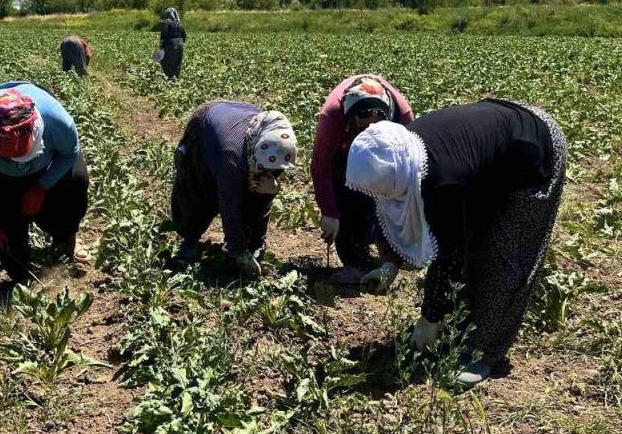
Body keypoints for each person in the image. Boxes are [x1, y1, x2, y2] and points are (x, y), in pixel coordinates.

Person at [345, 100, 567, 388]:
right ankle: (458, 326)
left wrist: (429, 318)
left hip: (534, 146)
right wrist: (390, 263)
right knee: (473, 241)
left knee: (504, 258)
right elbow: (391, 207)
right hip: (492, 147)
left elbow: (448, 253)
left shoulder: (441, 179)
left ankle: (485, 354)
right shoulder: (401, 153)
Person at [0, 83, 90, 283]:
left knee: (75, 184)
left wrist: (42, 187)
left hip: (48, 164)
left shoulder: (57, 122)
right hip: (1, 176)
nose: (15, 152)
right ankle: (22, 274)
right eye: (8, 150)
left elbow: (70, 153)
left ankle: (65, 240)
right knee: (10, 246)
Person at [170, 101, 297, 278]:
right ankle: (190, 239)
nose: (271, 173)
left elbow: (261, 199)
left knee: (257, 189)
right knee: (199, 190)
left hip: (239, 118)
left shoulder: (276, 151)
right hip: (206, 123)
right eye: (265, 168)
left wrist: (256, 243)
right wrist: (238, 250)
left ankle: (251, 243)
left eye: (275, 170)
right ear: (255, 153)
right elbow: (229, 204)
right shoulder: (232, 156)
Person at [311, 76, 414, 284]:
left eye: (375, 126)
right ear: (351, 119)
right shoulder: (332, 118)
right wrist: (329, 212)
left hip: (388, 150)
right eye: (363, 126)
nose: (368, 132)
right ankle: (353, 262)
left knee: (388, 190)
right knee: (346, 191)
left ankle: (389, 253)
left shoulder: (402, 116)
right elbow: (321, 167)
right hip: (344, 151)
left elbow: (411, 164)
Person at [155, 7, 186, 79]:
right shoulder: (179, 23)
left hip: (170, 44)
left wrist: (161, 45)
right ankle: (175, 77)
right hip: (180, 44)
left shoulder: (166, 22)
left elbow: (164, 34)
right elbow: (184, 35)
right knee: (177, 61)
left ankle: (169, 77)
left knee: (167, 61)